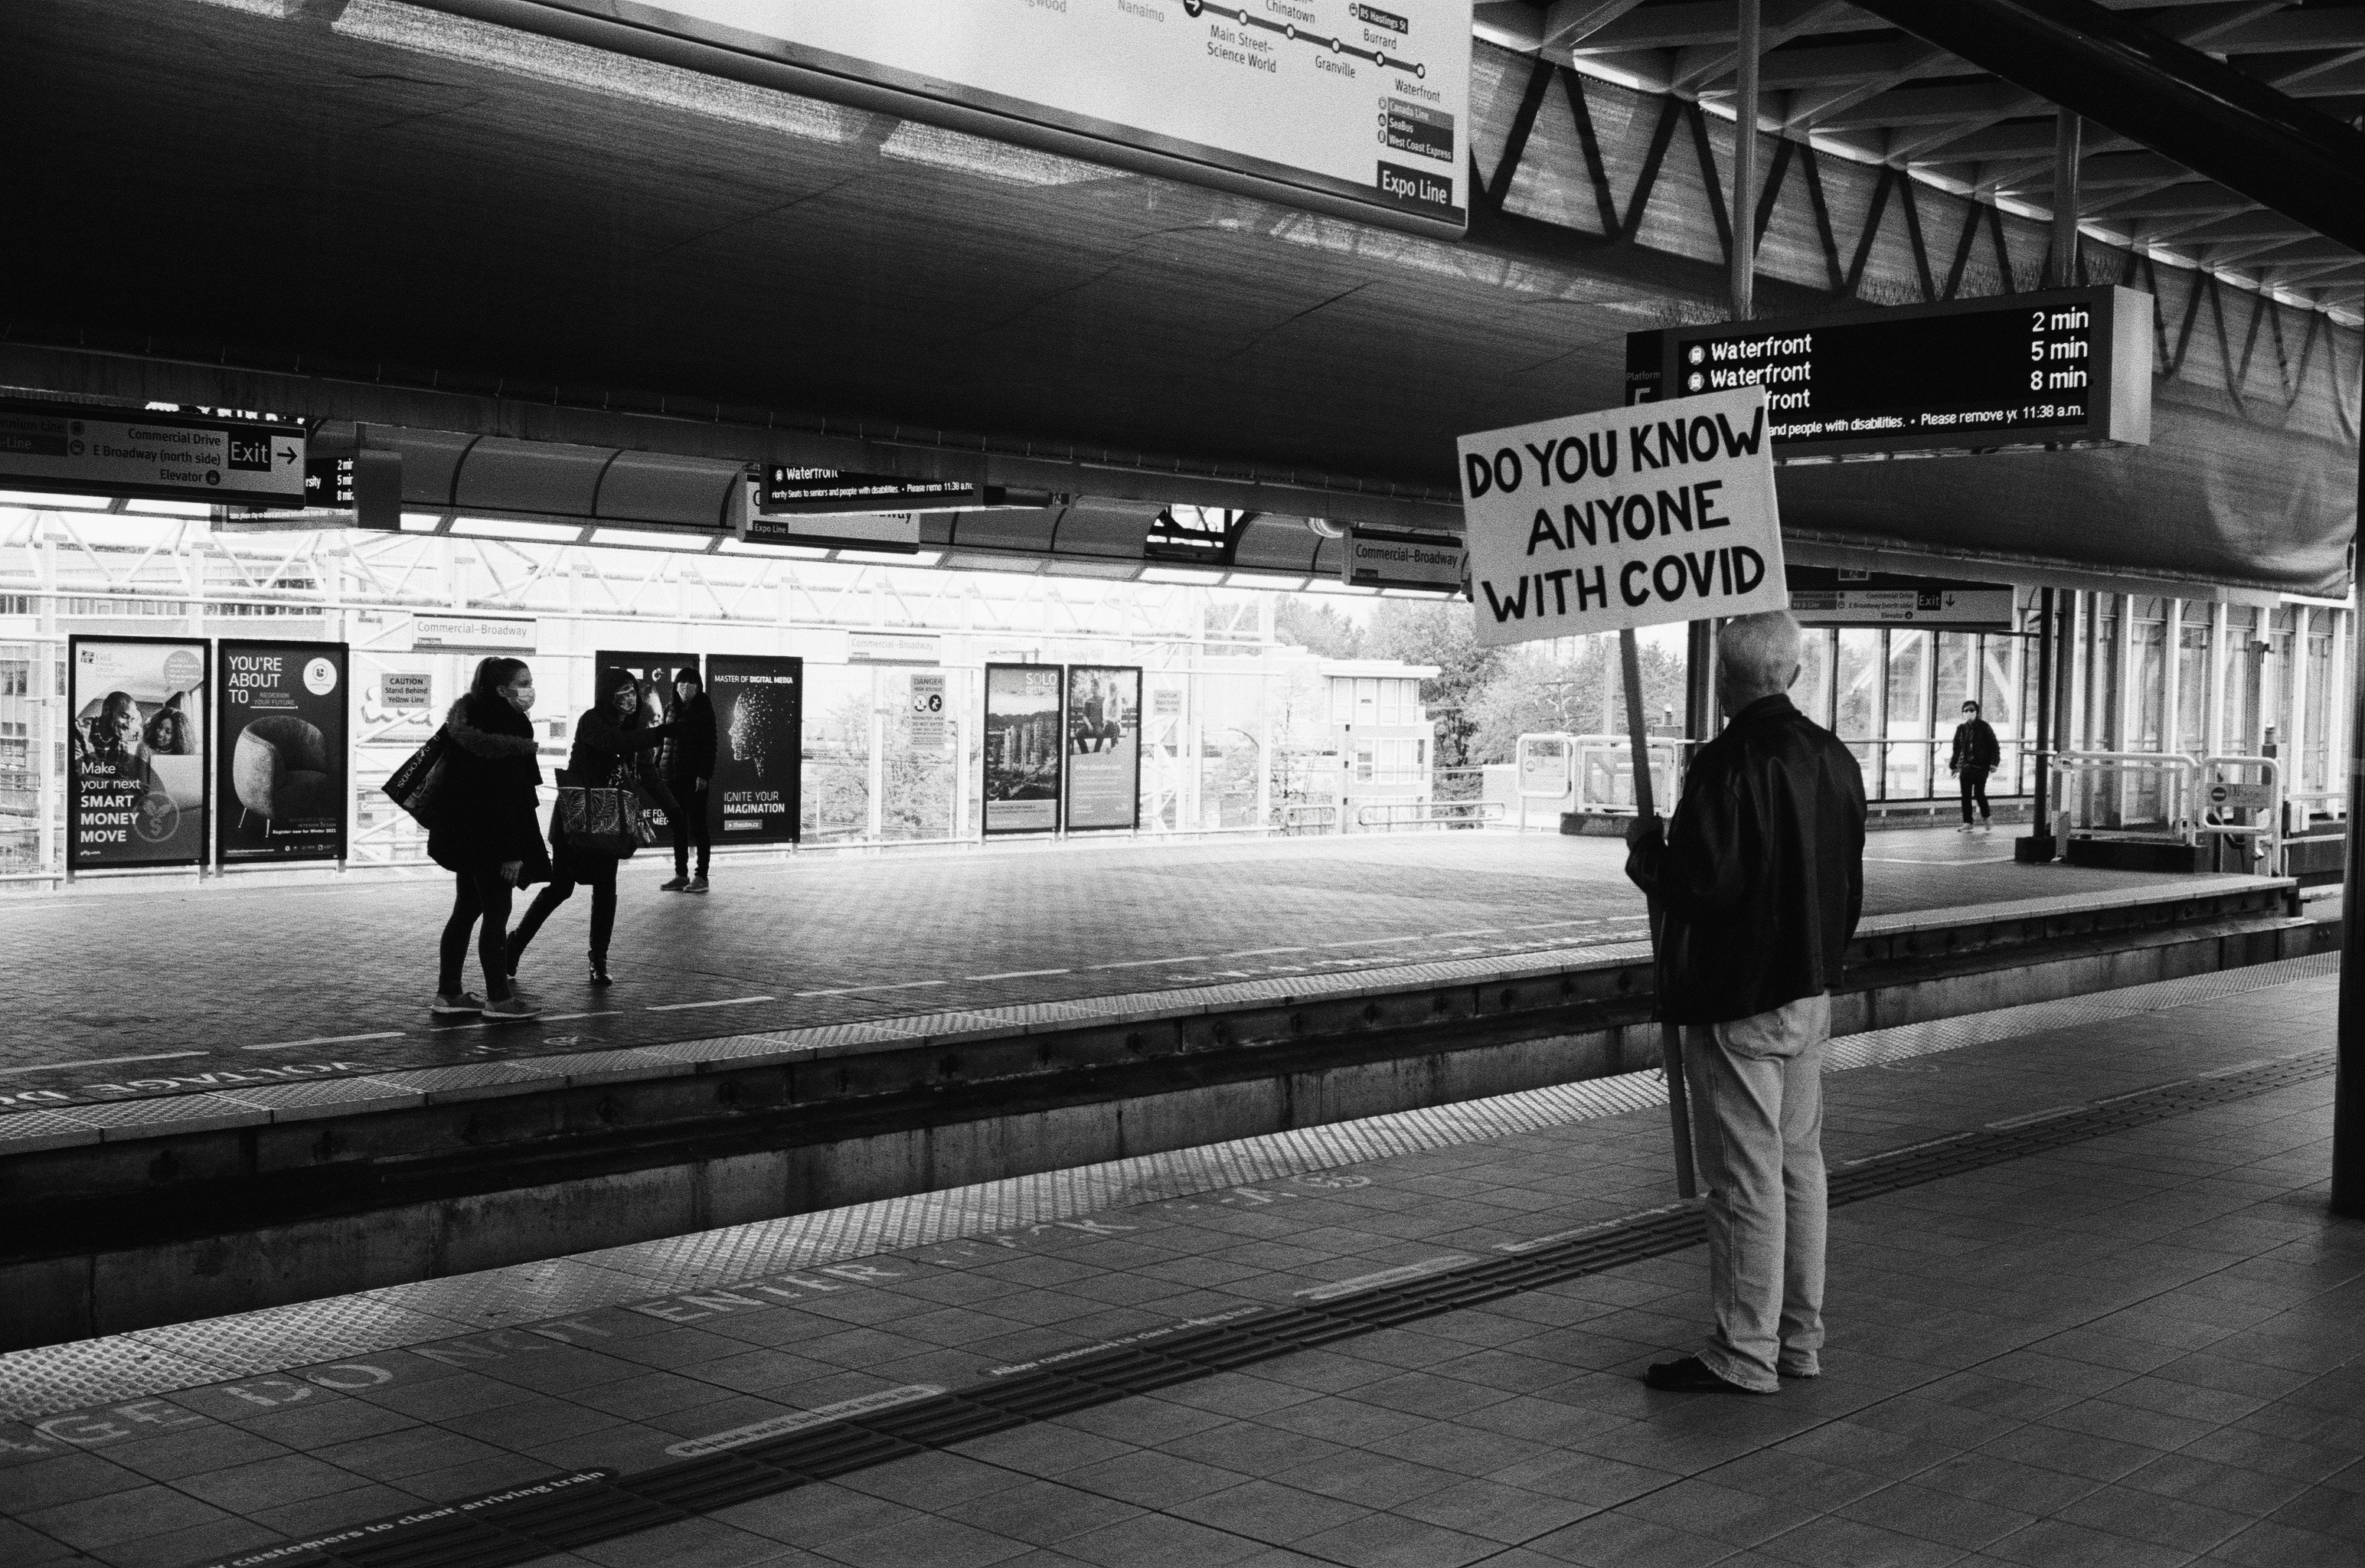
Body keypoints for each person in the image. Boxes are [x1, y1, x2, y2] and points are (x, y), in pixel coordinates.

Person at [1624, 610, 1867, 1395]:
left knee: (1742, 1179)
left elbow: (1702, 887)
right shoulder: (1834, 758)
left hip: (1739, 999)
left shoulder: (1724, 763)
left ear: (1723, 679)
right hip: (1809, 989)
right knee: (1799, 1166)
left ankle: (1741, 1351)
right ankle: (1797, 1340)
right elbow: (1846, 879)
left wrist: (1646, 856)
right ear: (1790, 675)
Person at [509, 667, 672, 986]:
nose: (629, 697)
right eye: (622, 691)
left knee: (606, 889)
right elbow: (610, 742)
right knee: (561, 887)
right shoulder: (592, 720)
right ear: (607, 694)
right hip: (580, 819)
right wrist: (661, 733)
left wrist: (675, 810)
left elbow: (649, 774)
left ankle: (599, 959)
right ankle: (515, 942)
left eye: (632, 691)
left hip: (610, 821)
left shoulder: (635, 729)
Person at [428, 657, 550, 1022]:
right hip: (493, 840)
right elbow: (509, 797)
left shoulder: (465, 718)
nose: (530, 689)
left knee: (466, 909)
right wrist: (512, 854)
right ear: (502, 689)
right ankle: (499, 998)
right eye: (523, 682)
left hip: (462, 833)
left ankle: (448, 992)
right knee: (496, 915)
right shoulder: (511, 726)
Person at [661, 667, 716, 894]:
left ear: (698, 686)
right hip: (671, 776)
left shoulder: (704, 708)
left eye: (691, 683)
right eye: (681, 682)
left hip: (693, 779)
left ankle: (701, 876)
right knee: (678, 828)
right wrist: (658, 766)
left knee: (699, 828)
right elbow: (664, 741)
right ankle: (681, 875)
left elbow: (710, 745)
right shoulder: (670, 707)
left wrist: (703, 775)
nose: (685, 687)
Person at [1948, 698, 2001, 831]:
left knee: (1979, 793)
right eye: (1966, 711)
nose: (1969, 712)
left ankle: (1987, 817)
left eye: (1972, 710)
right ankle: (1968, 822)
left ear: (1977, 712)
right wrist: (1953, 766)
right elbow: (1957, 749)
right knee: (1965, 795)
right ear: (1963, 713)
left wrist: (1994, 763)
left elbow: (1994, 746)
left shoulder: (1984, 727)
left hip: (1981, 766)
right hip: (1966, 766)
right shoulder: (1961, 729)